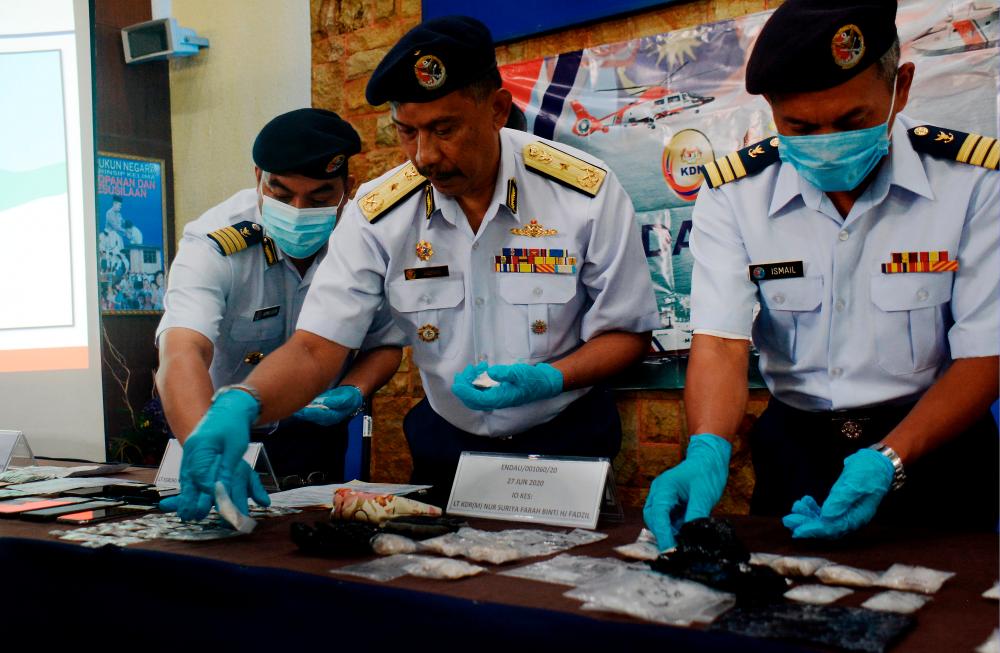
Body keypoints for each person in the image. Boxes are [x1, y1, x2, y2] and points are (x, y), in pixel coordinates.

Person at [169, 15, 660, 519]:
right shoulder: (379, 213)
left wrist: (552, 378)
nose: (425, 156)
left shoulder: (582, 192)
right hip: (448, 448)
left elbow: (627, 332)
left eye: (444, 129)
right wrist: (244, 403)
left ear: (496, 110)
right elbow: (317, 348)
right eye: (408, 133)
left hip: (565, 441)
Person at [644, 0, 999, 549]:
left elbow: (985, 352)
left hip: (933, 449)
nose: (826, 141)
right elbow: (720, 341)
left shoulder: (972, 184)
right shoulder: (736, 193)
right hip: (796, 454)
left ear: (900, 88)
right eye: (800, 126)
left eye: (852, 120)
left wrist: (890, 459)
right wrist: (708, 448)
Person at [155, 108, 404, 511]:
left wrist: (352, 390)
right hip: (214, 426)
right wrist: (206, 445)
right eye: (281, 193)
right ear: (258, 179)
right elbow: (182, 351)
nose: (299, 209)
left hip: (313, 436)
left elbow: (386, 344)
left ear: (348, 188)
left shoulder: (366, 239)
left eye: (320, 195)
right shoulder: (214, 241)